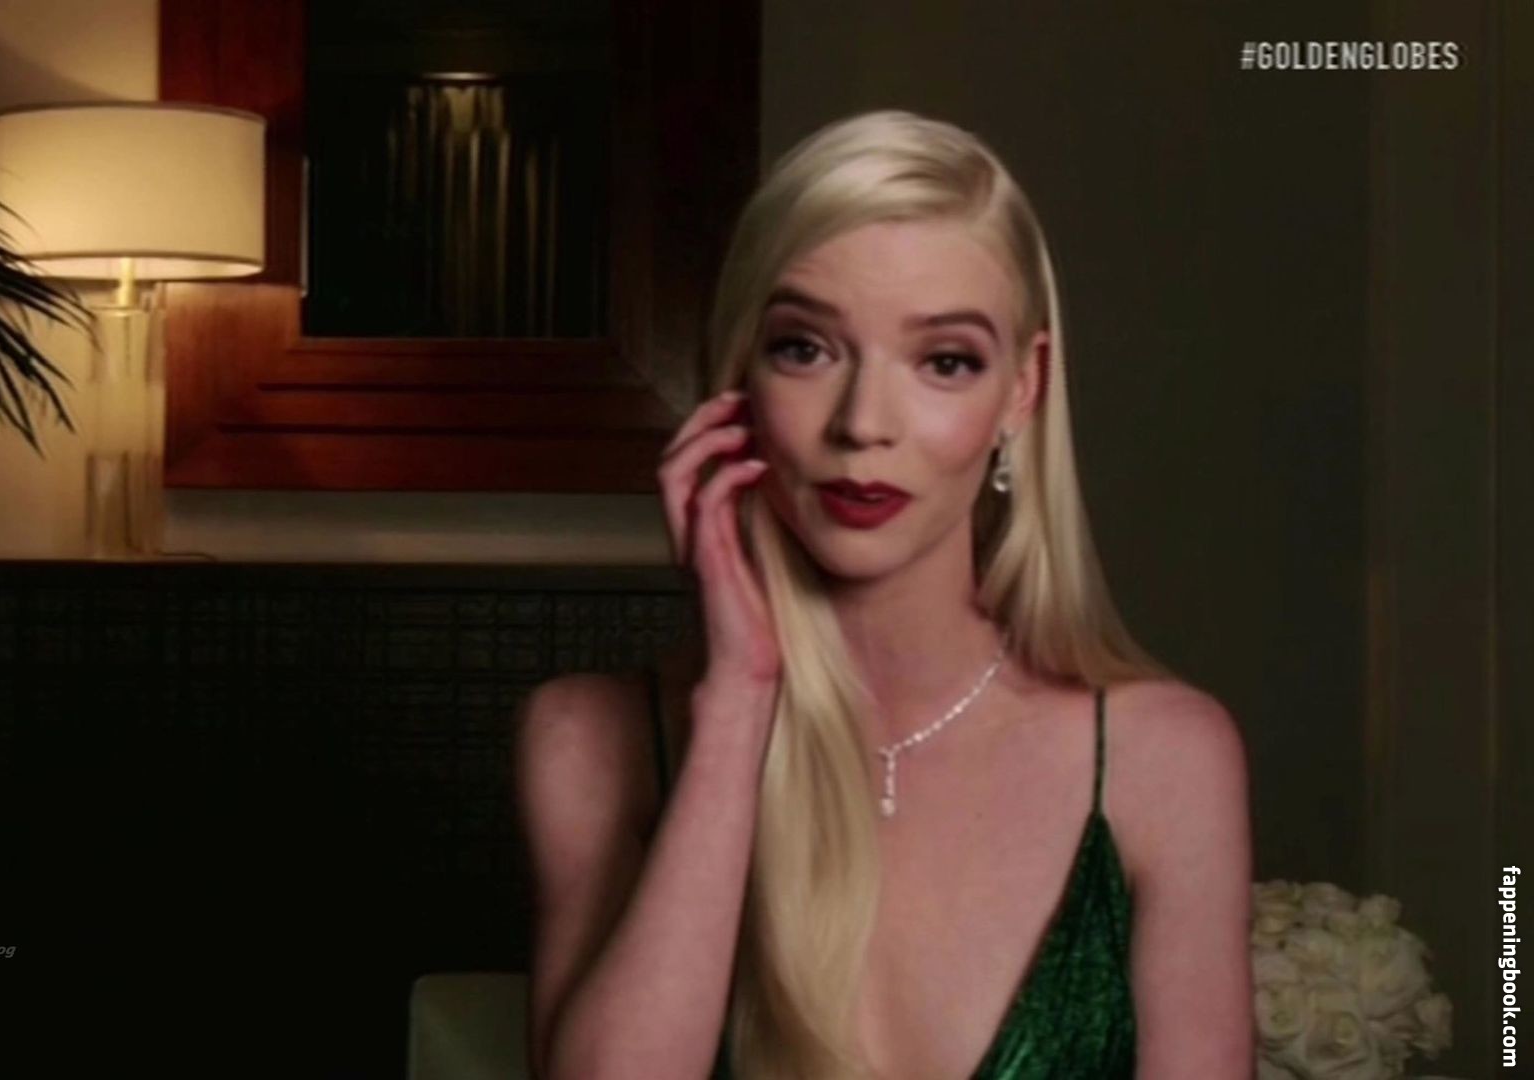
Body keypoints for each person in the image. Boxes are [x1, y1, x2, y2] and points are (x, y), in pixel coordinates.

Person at [513, 109, 1256, 1080]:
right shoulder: (591, 740)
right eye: (805, 348)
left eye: (944, 361)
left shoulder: (1166, 758)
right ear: (737, 371)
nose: (864, 423)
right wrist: (738, 703)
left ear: (1022, 390)